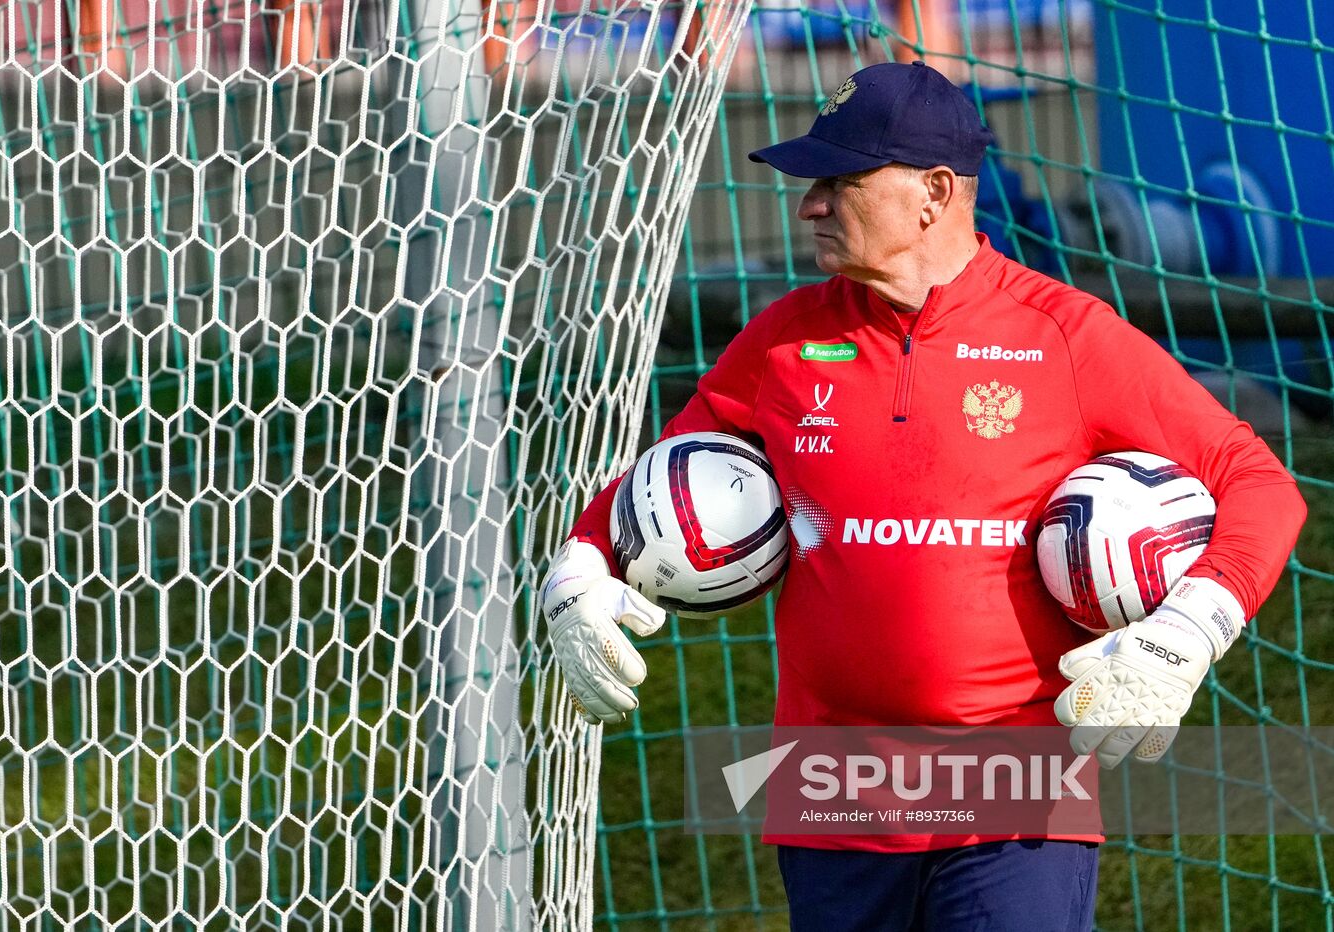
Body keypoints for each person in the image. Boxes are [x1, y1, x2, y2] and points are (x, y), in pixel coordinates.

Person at [540, 60, 1307, 931]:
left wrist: (1181, 638)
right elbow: (661, 477)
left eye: (840, 181)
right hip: (832, 793)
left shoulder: (1064, 334)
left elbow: (1261, 486)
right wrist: (579, 567)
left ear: (935, 192)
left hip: (1014, 797)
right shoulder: (784, 339)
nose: (810, 205)